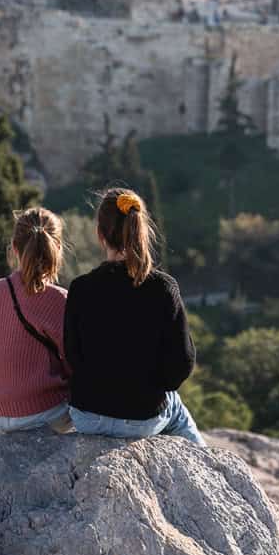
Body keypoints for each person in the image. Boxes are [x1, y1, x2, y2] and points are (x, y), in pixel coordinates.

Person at [64, 187, 205, 445]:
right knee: (179, 413)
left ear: (100, 234)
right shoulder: (163, 288)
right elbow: (181, 364)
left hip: (88, 416)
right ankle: (210, 473)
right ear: (141, 229)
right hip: (143, 418)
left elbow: (73, 356)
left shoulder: (80, 288)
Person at [0, 207, 73, 433]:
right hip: (47, 414)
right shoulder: (59, 299)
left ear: (14, 248)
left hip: (0, 414)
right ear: (58, 248)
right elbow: (75, 364)